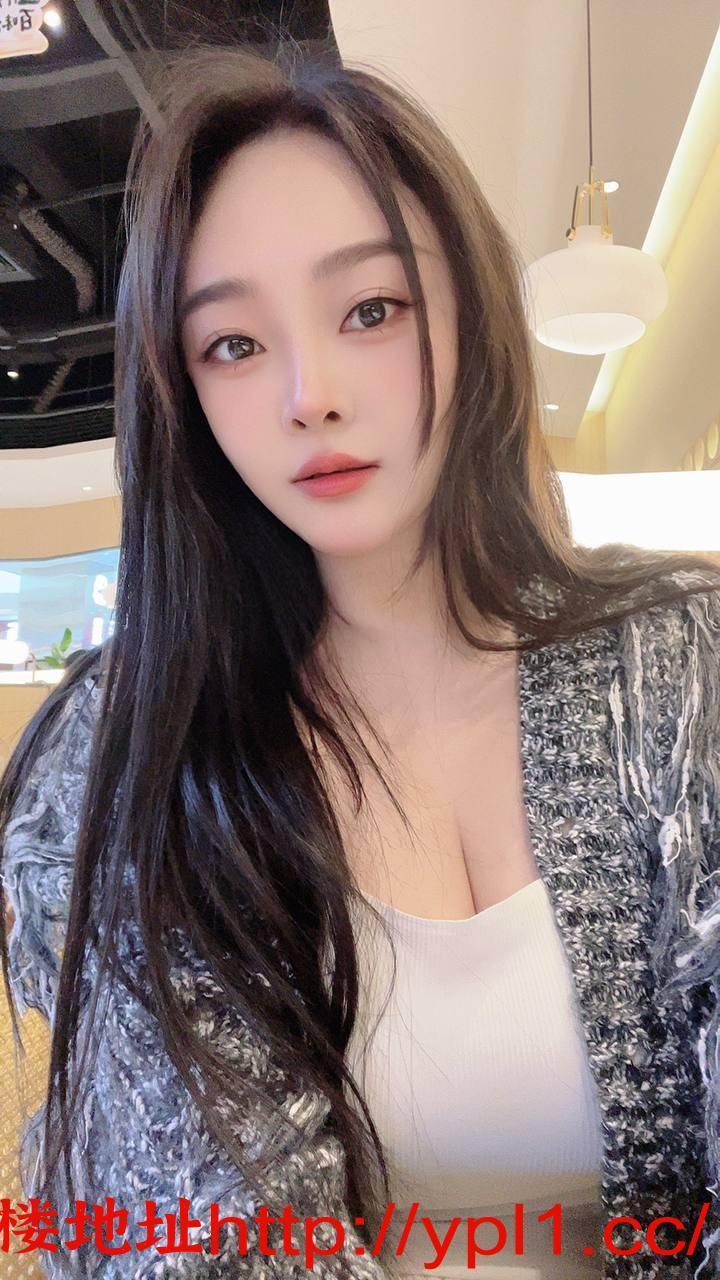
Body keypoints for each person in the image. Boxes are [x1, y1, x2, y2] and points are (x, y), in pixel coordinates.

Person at [2, 35, 720, 1280]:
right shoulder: (129, 756)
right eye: (233, 343)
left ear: (471, 315)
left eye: (371, 309)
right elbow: (182, 1240)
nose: (309, 393)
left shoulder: (682, 673)